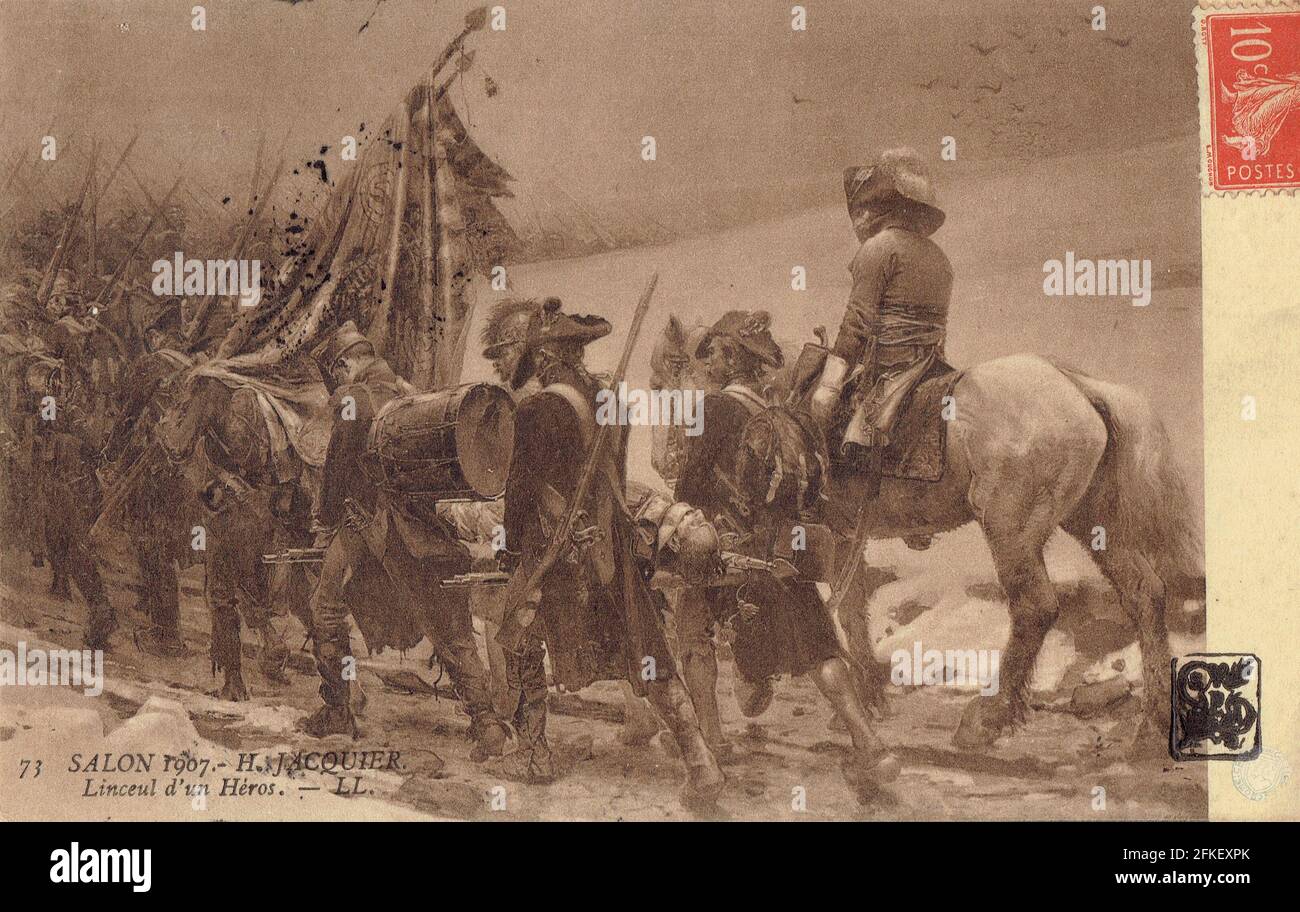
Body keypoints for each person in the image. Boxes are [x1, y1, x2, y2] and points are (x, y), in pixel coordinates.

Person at [497, 298, 724, 802]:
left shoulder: (536, 408)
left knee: (515, 633)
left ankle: (534, 753)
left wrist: (513, 548)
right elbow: (612, 479)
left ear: (550, 357)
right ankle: (700, 760)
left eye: (538, 356)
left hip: (558, 556)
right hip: (613, 551)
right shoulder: (609, 400)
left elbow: (521, 491)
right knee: (649, 653)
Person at [676, 309, 900, 801]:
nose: (706, 362)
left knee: (692, 627)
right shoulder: (784, 413)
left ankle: (711, 742)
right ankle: (872, 746)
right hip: (787, 547)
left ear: (728, 358)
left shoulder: (712, 408)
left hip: (734, 553)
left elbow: (689, 485)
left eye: (712, 352)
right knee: (820, 648)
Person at [299, 321, 508, 760]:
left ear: (344, 363)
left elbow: (337, 474)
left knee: (325, 610)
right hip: (420, 523)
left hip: (366, 525)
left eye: (336, 371)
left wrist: (324, 518)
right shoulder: (406, 392)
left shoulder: (353, 400)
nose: (337, 380)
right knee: (448, 627)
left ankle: (338, 711)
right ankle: (487, 723)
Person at [809, 149, 953, 488]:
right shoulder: (940, 257)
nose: (857, 222)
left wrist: (828, 386)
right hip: (932, 364)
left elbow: (857, 322)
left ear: (878, 210)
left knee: (821, 423)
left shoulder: (878, 248)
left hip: (891, 368)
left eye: (862, 211)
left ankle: (834, 499)